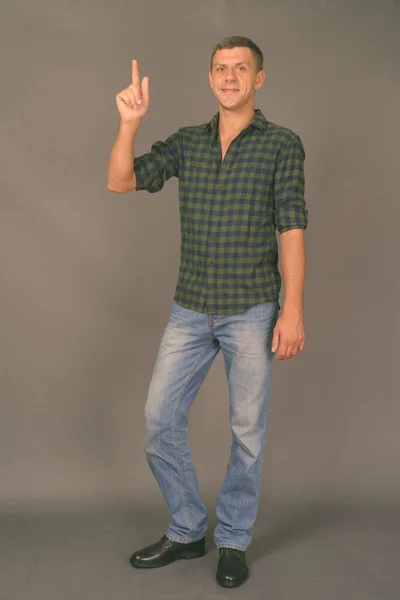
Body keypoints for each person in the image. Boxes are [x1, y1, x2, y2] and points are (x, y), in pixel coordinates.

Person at [107, 35, 308, 588]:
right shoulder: (188, 143)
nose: (229, 76)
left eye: (241, 68)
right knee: (158, 420)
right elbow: (120, 180)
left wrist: (292, 309)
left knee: (246, 432)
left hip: (251, 309)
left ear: (258, 79)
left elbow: (291, 227)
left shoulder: (281, 144)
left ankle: (233, 540)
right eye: (221, 68)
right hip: (191, 308)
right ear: (210, 77)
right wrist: (129, 124)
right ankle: (187, 526)